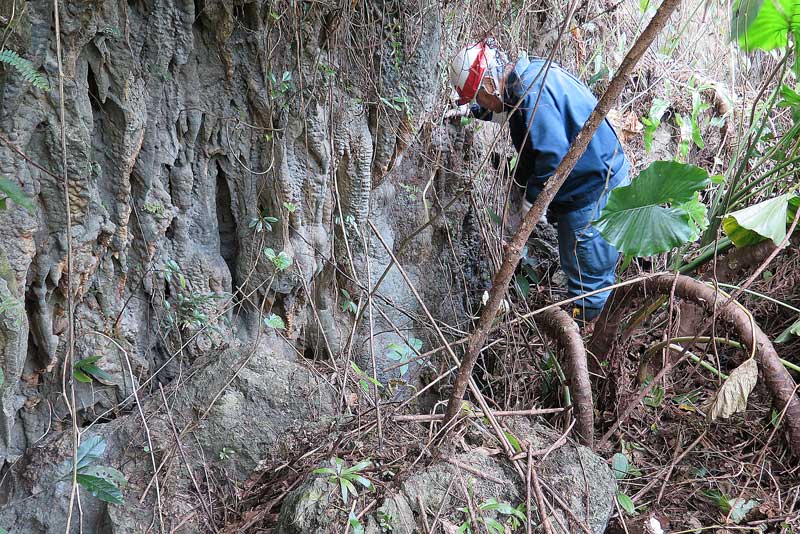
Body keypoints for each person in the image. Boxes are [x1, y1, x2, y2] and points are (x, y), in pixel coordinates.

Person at [448, 38, 630, 322]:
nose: (479, 103)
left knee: (589, 283)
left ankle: (591, 344)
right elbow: (507, 110)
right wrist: (471, 111)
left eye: (476, 98)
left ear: (487, 85)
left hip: (593, 192)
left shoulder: (533, 92)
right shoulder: (527, 79)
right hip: (593, 182)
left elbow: (551, 155)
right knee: (578, 265)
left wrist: (532, 201)